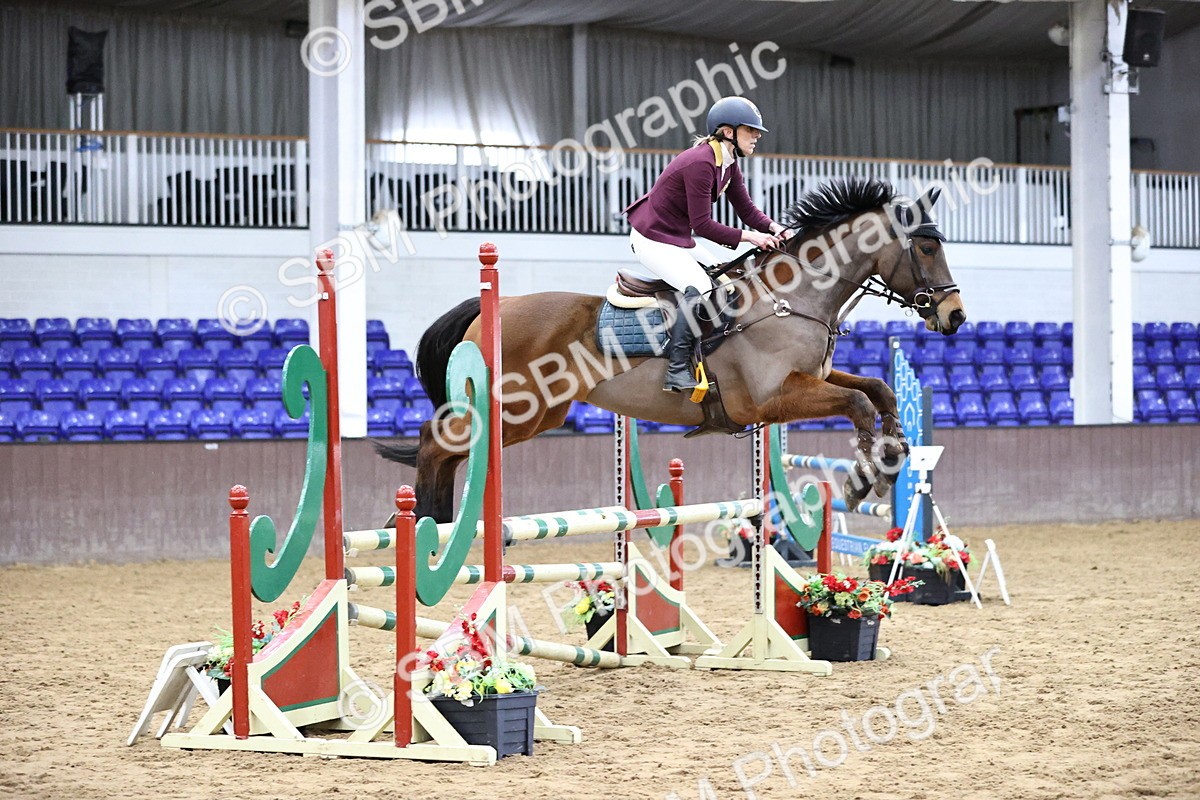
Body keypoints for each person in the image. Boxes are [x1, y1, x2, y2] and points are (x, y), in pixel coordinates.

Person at [624, 96, 790, 393]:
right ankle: (675, 370)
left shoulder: (727, 163)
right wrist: (751, 237)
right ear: (728, 132)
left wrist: (777, 229)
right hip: (652, 239)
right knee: (700, 288)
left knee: (724, 278)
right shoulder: (701, 163)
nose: (757, 136)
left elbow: (747, 210)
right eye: (751, 130)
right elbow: (703, 225)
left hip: (676, 238)